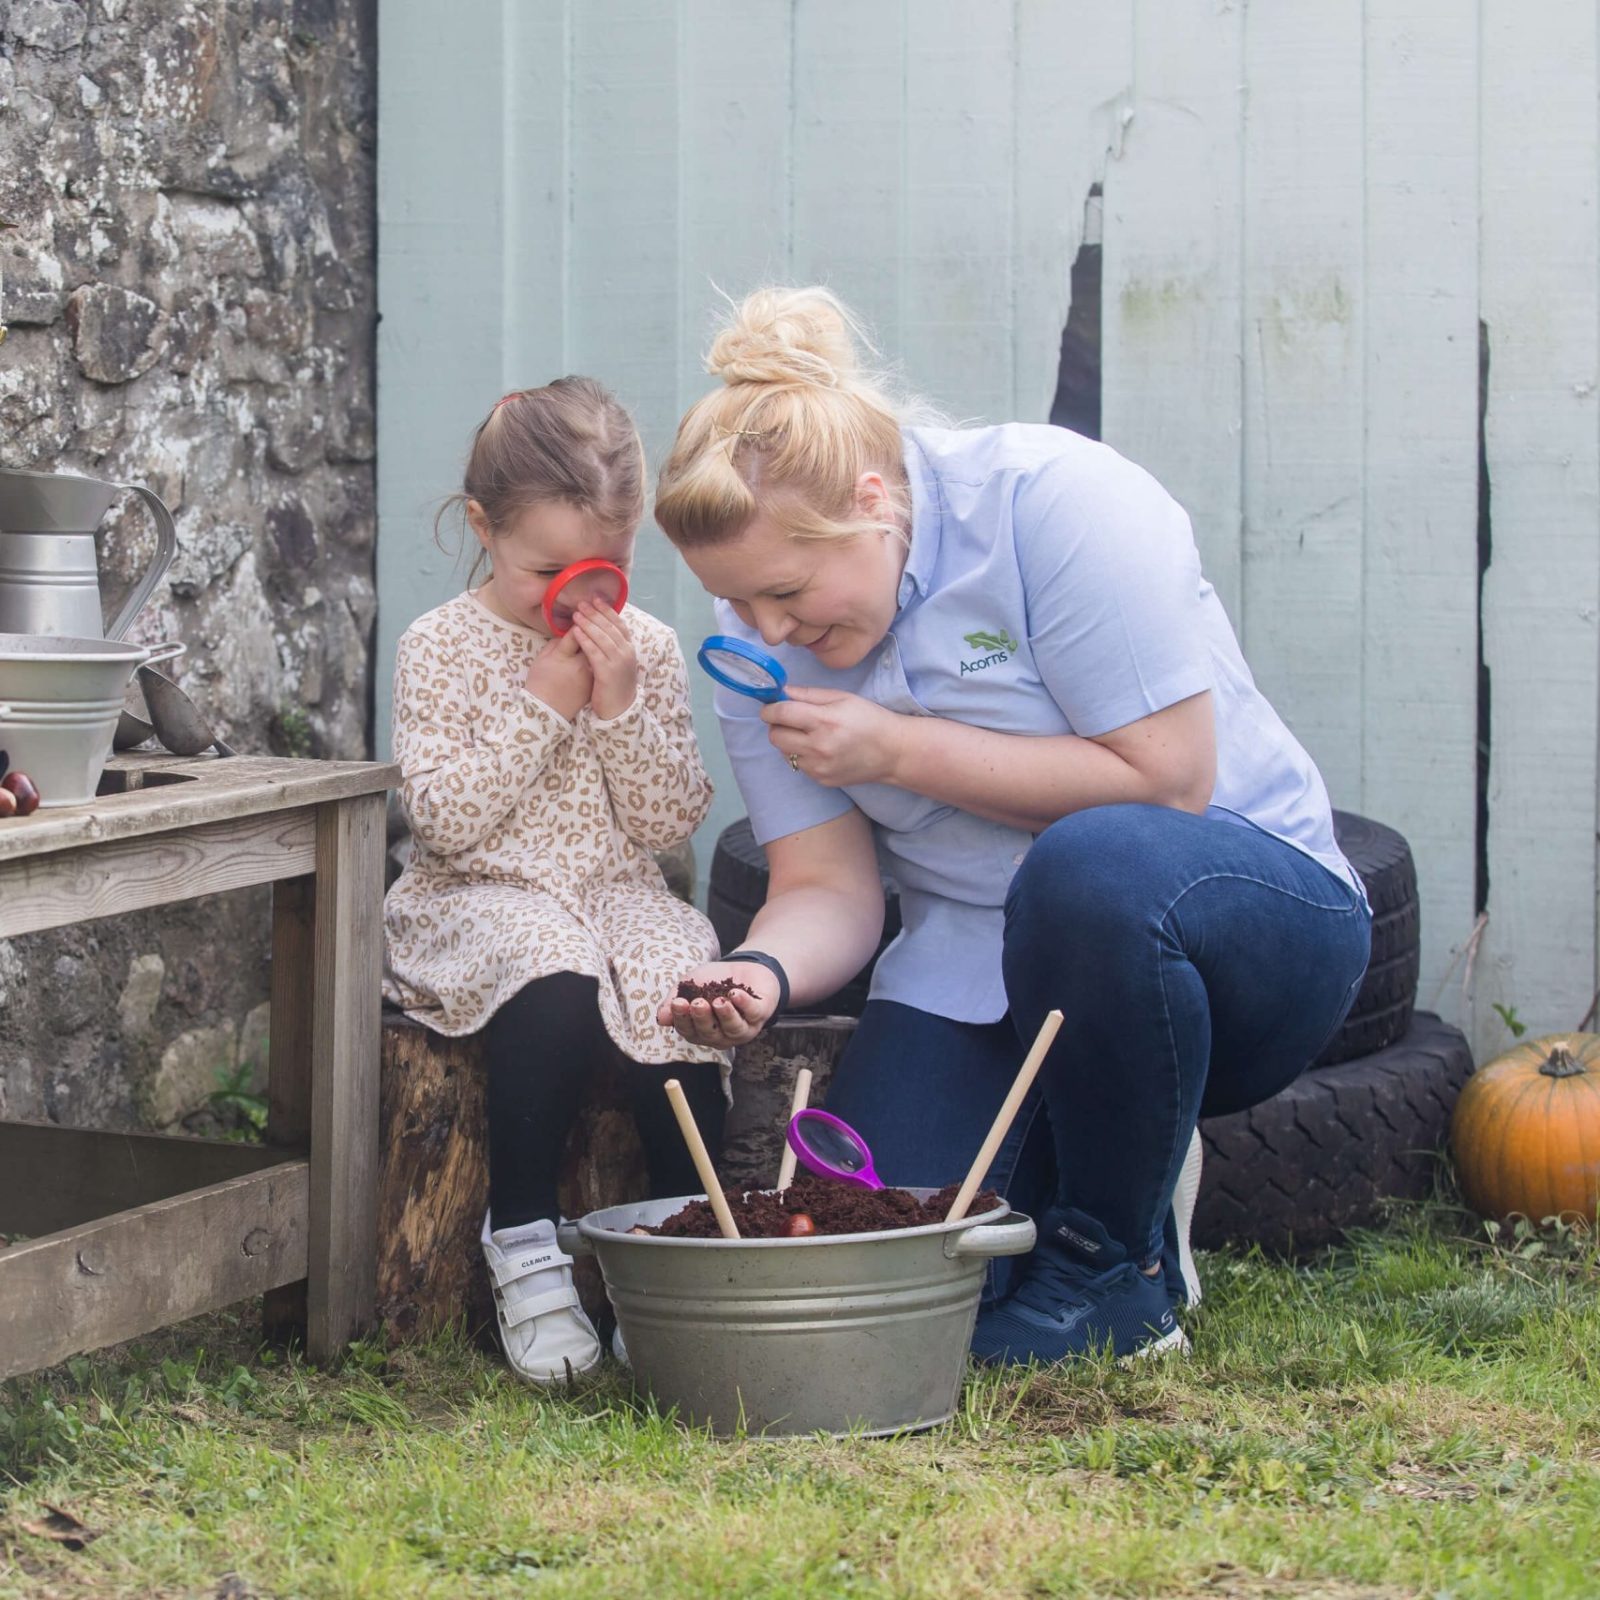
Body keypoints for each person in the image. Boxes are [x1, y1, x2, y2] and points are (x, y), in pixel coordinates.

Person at [653, 288, 1372, 1364]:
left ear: (872, 501)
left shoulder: (1057, 503)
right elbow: (829, 887)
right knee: (887, 1295)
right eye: (740, 603)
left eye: (787, 591)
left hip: (1234, 927)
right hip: (977, 966)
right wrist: (759, 971)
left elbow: (1165, 781)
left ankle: (1116, 1262)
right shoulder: (756, 645)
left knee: (1091, 866)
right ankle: (1111, 1164)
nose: (768, 628)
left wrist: (895, 748)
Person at [383, 378, 728, 1384]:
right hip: (475, 896)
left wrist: (620, 705)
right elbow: (443, 824)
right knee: (553, 964)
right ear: (484, 529)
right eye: (550, 570)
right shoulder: (439, 646)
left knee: (681, 969)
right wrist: (542, 703)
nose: (579, 595)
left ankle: (672, 1248)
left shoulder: (648, 651)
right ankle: (525, 1239)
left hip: (613, 893)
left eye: (608, 568)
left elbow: (666, 823)